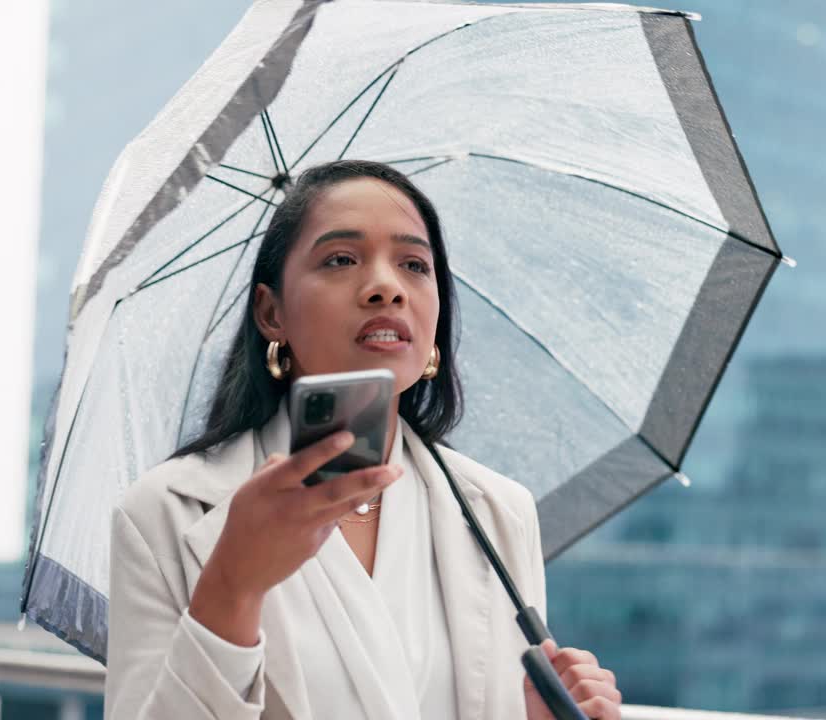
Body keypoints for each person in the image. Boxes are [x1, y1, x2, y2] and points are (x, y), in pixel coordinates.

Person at [104, 160, 622, 720]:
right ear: (271, 312)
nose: (385, 288)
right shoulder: (164, 513)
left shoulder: (499, 513)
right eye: (341, 259)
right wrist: (231, 586)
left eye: (414, 265)